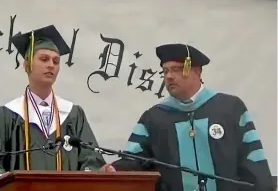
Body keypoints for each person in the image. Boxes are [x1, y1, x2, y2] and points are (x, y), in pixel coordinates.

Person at [100, 44, 274, 191]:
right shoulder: (154, 117)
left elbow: (252, 161)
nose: (168, 76)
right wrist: (115, 169)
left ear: (196, 72)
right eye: (165, 71)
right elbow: (136, 160)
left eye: (176, 69)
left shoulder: (230, 108)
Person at [0, 24, 106, 185]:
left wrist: (94, 173)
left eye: (56, 61)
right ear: (27, 65)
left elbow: (92, 159)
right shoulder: (8, 115)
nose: (51, 65)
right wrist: (6, 183)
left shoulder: (73, 114)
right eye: (44, 59)